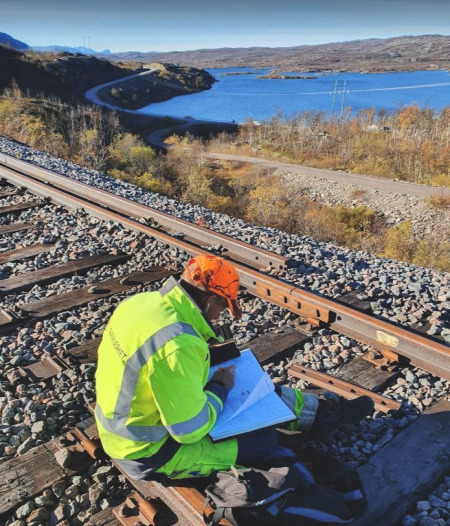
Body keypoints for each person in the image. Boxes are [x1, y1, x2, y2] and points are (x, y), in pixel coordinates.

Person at [95, 254, 374, 481]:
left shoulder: (141, 303)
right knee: (264, 442)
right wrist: (219, 388)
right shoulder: (179, 345)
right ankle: (311, 420)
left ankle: (319, 413)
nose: (220, 316)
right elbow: (189, 431)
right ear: (211, 300)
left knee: (253, 385)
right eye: (223, 307)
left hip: (127, 422)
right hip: (150, 453)